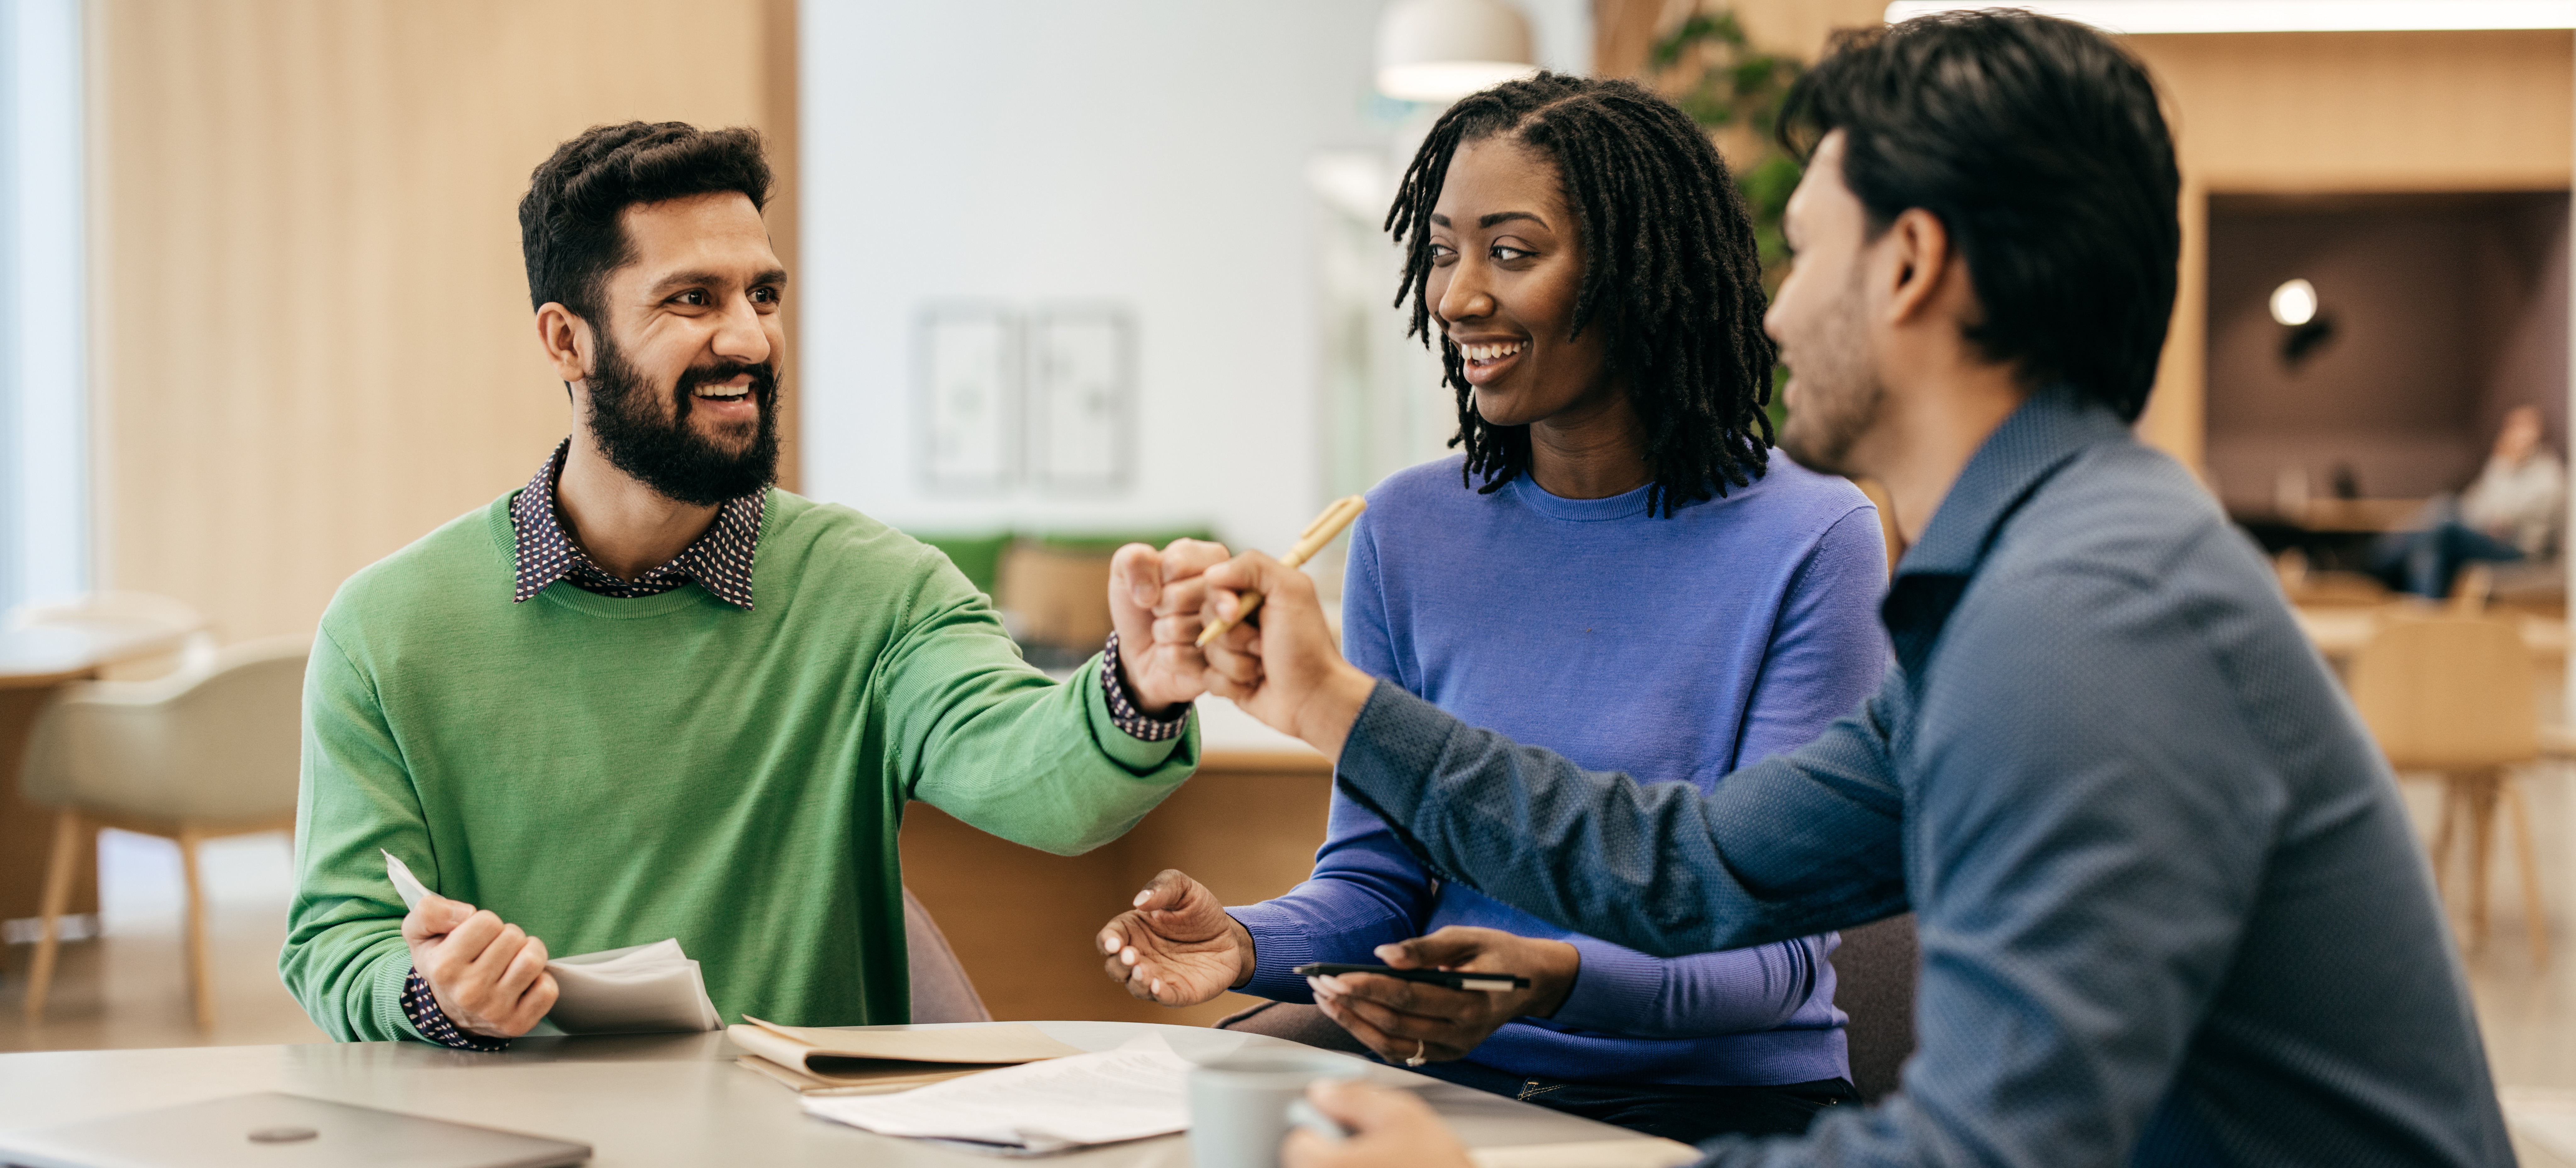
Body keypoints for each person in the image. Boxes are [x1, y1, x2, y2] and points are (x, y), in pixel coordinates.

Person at [1195, 13, 2510, 1167]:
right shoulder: (2030, 572)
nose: (1768, 316)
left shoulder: (2084, 618)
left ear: (1908, 264)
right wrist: (1339, 705)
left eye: (1808, 251)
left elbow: (1986, 1146)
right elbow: (1687, 866)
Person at [280, 122, 1223, 1047]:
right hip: (521, 1134)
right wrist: (435, 991)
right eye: (693, 299)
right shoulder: (387, 630)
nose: (750, 338)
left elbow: (1038, 782)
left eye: (762, 295)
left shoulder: (878, 592)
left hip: (803, 1137)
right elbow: (336, 940)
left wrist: (1135, 688)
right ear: (567, 341)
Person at [1094, 75, 1890, 1144]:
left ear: (1639, 274)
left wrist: (1550, 979)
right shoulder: (1405, 528)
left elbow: (1770, 954)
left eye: (1511, 253)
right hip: (1455, 1084)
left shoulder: (1815, 539)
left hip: (1714, 1103)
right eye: (1439, 252)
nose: (1456, 296)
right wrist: (1244, 941)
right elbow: (1377, 885)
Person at [2374, 404, 2563, 597]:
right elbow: (2474, 503)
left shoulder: (2547, 475)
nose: (2512, 434)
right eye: (2511, 427)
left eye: (2522, 427)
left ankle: (2379, 562)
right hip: (2488, 534)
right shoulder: (2503, 465)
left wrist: (2503, 473)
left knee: (2445, 527)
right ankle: (2423, 612)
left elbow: (2503, 521)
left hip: (2518, 550)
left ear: (2539, 434)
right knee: (2440, 519)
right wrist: (2503, 469)